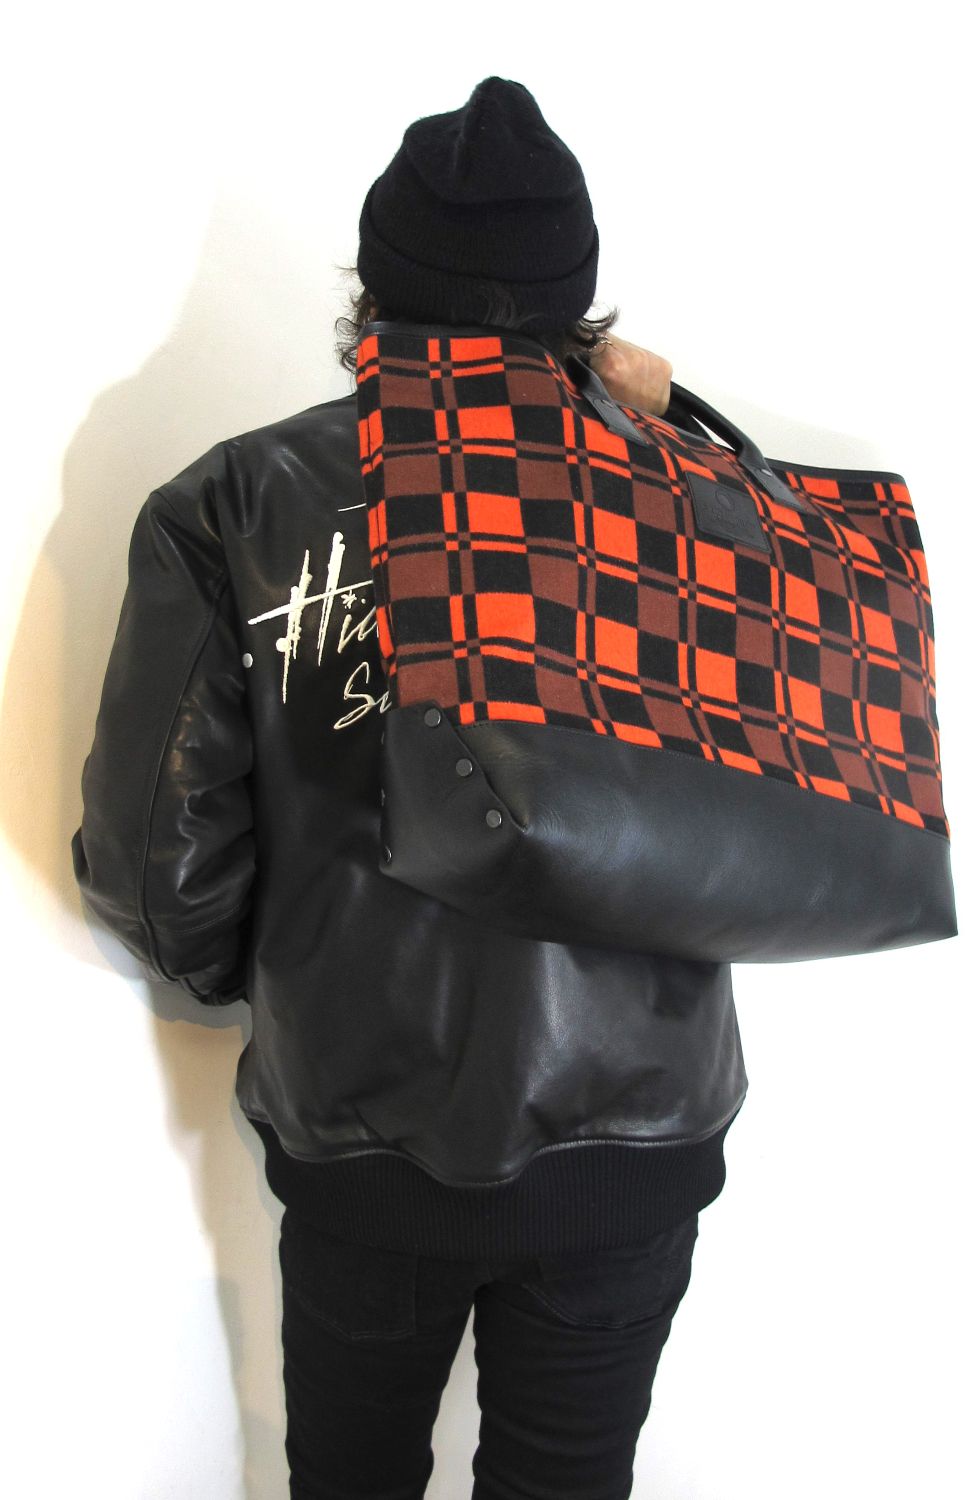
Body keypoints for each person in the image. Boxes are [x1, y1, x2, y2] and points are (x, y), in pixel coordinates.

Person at [71, 76, 748, 1500]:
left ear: (377, 288)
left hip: (364, 1131)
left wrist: (290, 976)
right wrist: (668, 422)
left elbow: (151, 863)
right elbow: (791, 778)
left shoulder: (235, 504)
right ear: (577, 301)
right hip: (639, 1127)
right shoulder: (690, 493)